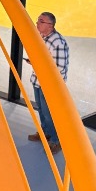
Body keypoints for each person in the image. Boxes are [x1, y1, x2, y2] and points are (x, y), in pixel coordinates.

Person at [26, 12, 69, 155]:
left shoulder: (58, 43)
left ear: (50, 25)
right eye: (38, 20)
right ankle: (45, 133)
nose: (37, 23)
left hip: (50, 85)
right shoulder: (41, 37)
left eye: (41, 21)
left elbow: (60, 68)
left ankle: (56, 141)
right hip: (38, 81)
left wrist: (38, 64)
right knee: (41, 110)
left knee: (50, 114)